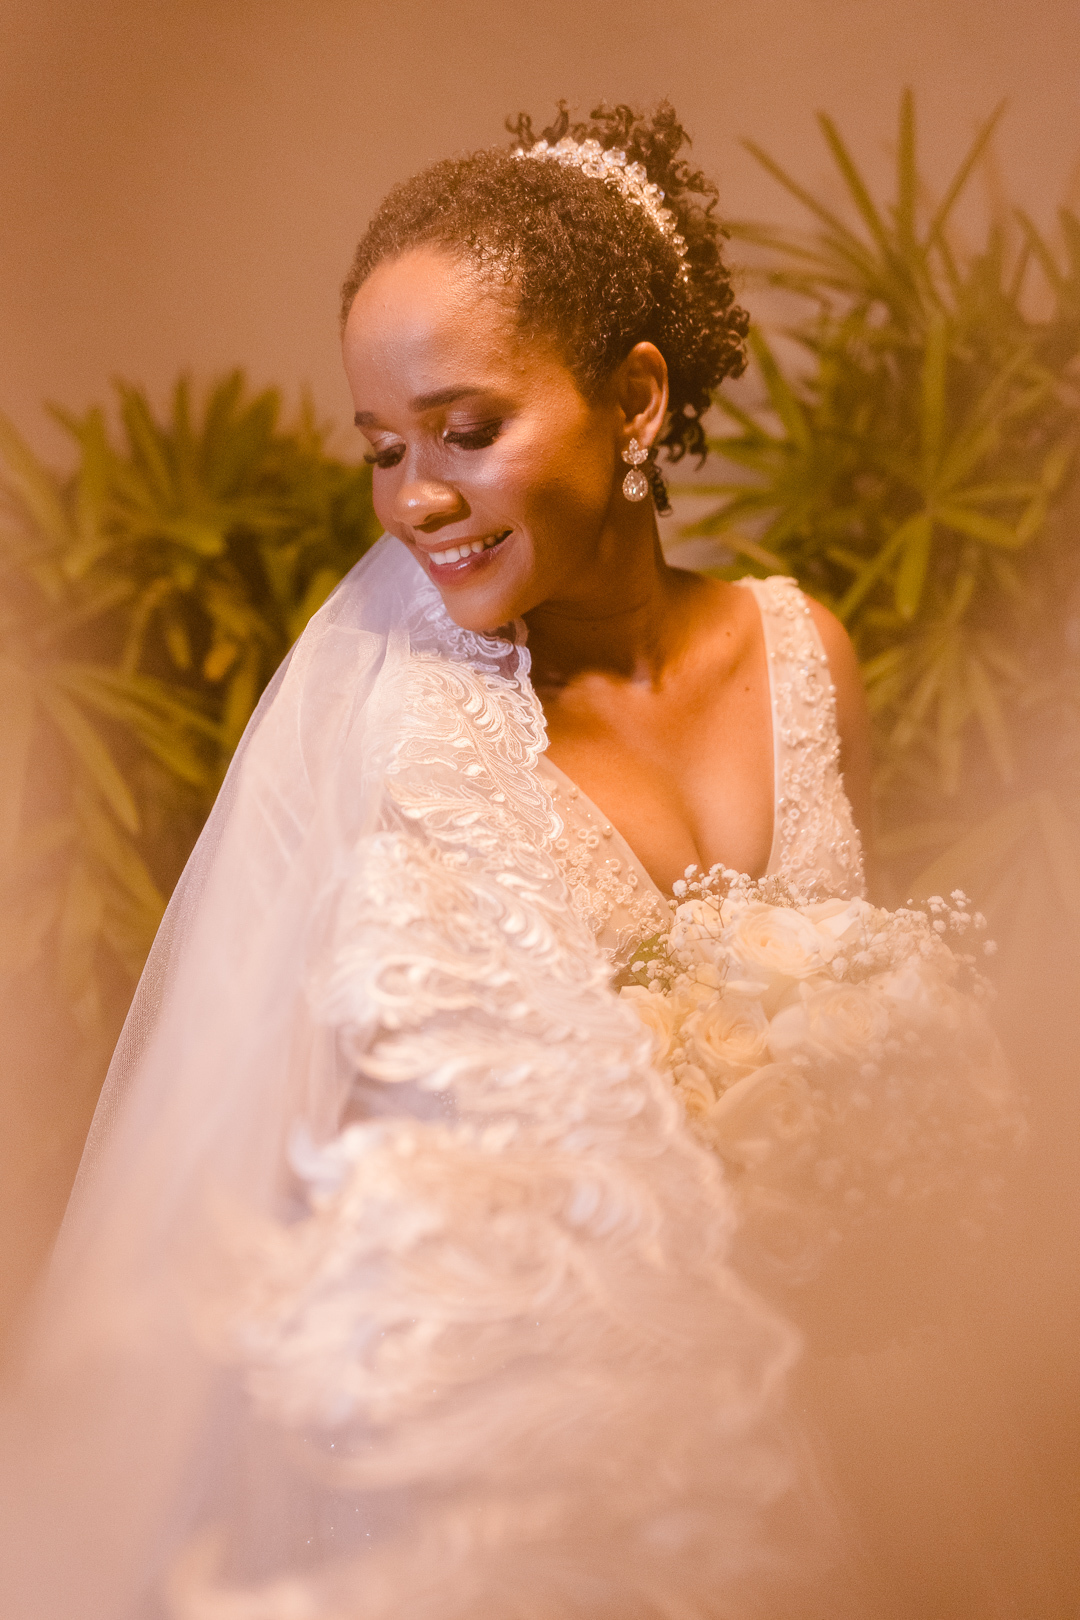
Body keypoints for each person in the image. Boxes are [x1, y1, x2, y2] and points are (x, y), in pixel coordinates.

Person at [0, 101, 1008, 1620]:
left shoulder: (806, 652)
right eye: (384, 449)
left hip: (862, 1407)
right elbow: (337, 1192)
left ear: (637, 399)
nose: (415, 499)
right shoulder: (413, 746)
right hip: (561, 1481)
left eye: (467, 433)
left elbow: (870, 1026)